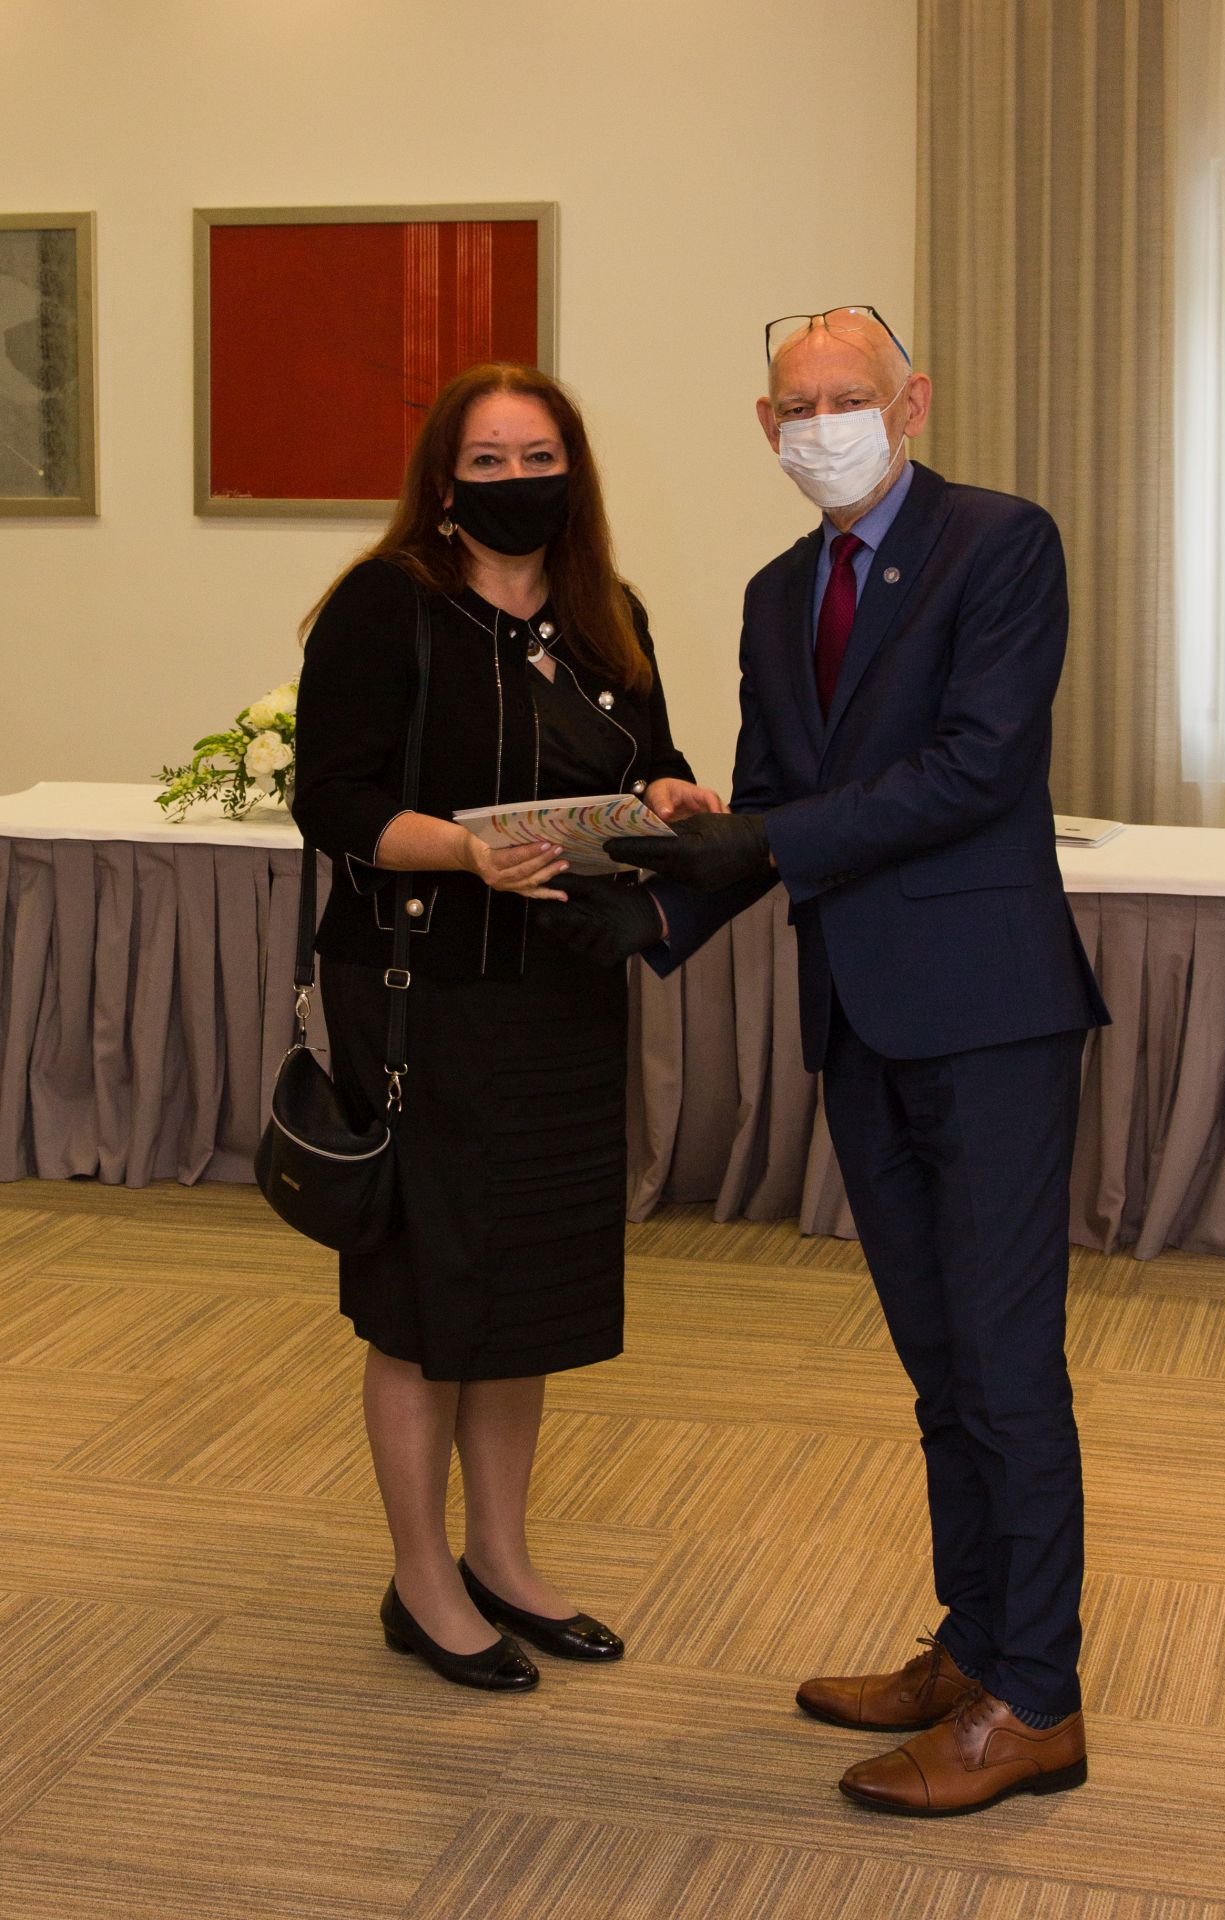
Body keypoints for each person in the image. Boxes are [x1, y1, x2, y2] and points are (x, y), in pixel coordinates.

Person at [548, 307, 1109, 1813]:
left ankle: (1036, 1701)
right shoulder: (774, 592)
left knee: (1005, 1364)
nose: (822, 425)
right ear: (764, 425)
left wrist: (759, 838)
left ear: (911, 402)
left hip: (987, 1014)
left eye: (847, 396)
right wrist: (651, 909)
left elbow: (976, 767)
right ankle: (975, 1644)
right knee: (940, 1365)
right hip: (860, 1018)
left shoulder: (1002, 544)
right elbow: (773, 803)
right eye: (795, 406)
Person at [292, 362, 719, 1694]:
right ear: (444, 480)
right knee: (429, 1298)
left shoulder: (607, 614)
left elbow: (644, 763)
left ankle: (504, 1560)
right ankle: (423, 1580)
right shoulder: (387, 606)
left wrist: (668, 795)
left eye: (540, 458)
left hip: (562, 992)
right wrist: (467, 853)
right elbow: (331, 799)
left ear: (572, 473)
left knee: (526, 1291)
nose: (517, 481)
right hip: (422, 995)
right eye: (489, 461)